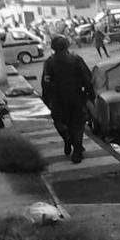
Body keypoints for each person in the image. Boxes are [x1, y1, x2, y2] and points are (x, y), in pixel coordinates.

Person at [41, 35, 95, 164]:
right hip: (75, 97)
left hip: (57, 99)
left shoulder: (49, 62)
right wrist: (90, 94)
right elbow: (87, 79)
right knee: (77, 124)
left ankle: (67, 139)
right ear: (67, 45)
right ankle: (77, 150)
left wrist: (46, 99)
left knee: (59, 122)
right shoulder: (76, 60)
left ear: (53, 47)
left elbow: (45, 82)